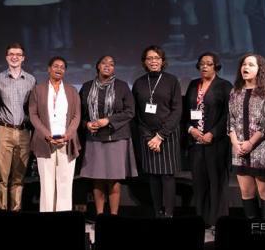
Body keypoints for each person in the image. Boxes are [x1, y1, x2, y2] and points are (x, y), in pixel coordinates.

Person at [79, 55, 137, 215]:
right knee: (97, 179)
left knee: (113, 179)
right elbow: (79, 114)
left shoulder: (122, 86)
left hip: (116, 137)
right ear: (98, 66)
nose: (108, 66)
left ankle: (113, 217)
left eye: (111, 64)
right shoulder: (86, 87)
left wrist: (108, 120)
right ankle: (99, 216)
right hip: (94, 138)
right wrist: (87, 124)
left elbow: (130, 111)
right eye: (104, 63)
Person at [132, 45, 182, 218]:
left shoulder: (172, 80)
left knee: (167, 175)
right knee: (153, 176)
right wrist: (148, 137)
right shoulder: (139, 82)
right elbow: (136, 113)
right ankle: (157, 213)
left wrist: (160, 136)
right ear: (144, 62)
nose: (153, 61)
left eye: (157, 58)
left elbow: (177, 110)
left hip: (167, 135)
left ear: (162, 61)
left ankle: (168, 214)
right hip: (147, 136)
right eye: (150, 58)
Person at [183, 52, 233, 227]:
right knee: (200, 184)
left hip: (216, 143)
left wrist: (213, 133)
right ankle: (202, 221)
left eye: (209, 64)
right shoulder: (192, 85)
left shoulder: (225, 86)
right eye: (202, 63)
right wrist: (191, 129)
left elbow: (228, 115)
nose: (204, 66)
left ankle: (218, 222)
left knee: (217, 184)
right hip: (196, 144)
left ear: (216, 66)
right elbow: (185, 113)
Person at [228, 53, 265, 219]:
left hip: (262, 149)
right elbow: (231, 120)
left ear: (260, 69)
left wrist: (250, 143)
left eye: (250, 64)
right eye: (243, 64)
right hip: (240, 150)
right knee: (246, 192)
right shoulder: (235, 92)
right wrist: (236, 143)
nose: (245, 67)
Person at [28, 56, 81, 212]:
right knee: (47, 183)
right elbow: (33, 115)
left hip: (67, 142)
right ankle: (47, 218)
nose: (59, 69)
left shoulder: (72, 90)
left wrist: (68, 135)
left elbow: (76, 116)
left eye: (62, 67)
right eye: (56, 66)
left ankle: (63, 220)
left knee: (65, 183)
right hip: (45, 142)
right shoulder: (38, 90)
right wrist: (46, 134)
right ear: (49, 69)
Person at [0, 43, 36, 211]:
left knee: (19, 177)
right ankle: (0, 213)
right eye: (11, 54)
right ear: (6, 57)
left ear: (23, 58)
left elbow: (33, 108)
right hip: (4, 130)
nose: (15, 57)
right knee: (1, 177)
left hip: (24, 132)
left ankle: (15, 212)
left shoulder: (31, 80)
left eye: (18, 54)